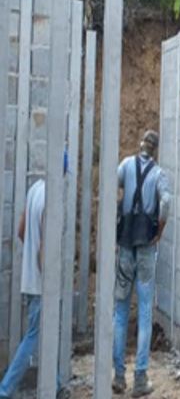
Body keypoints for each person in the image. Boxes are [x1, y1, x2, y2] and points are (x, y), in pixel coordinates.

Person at [0, 151, 71, 399]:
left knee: (42, 336)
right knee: (33, 337)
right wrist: (48, 282)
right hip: (42, 284)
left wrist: (32, 262)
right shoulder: (53, 200)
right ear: (61, 172)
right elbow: (45, 247)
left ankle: (59, 386)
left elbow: (22, 231)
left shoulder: (34, 190)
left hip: (30, 279)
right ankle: (6, 388)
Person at [112, 131, 171, 398]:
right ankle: (140, 378)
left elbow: (112, 184)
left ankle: (118, 375)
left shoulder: (125, 165)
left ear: (140, 147)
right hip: (146, 247)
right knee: (145, 312)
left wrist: (118, 214)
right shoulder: (159, 175)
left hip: (125, 245)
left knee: (120, 311)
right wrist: (159, 230)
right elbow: (166, 201)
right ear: (155, 150)